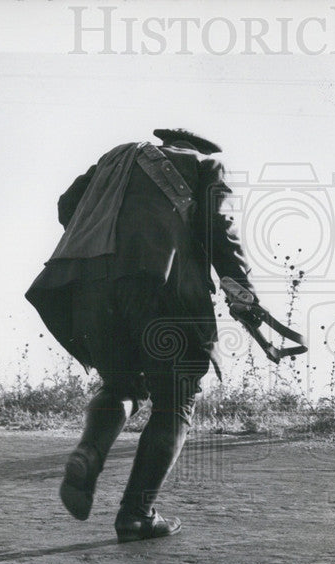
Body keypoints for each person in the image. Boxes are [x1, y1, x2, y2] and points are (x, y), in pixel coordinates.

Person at [25, 128, 256, 542]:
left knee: (120, 384)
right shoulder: (205, 166)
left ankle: (89, 454)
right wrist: (239, 284)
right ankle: (136, 514)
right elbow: (218, 225)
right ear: (197, 149)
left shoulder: (112, 159)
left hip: (91, 288)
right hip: (162, 288)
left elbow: (67, 208)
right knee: (176, 398)